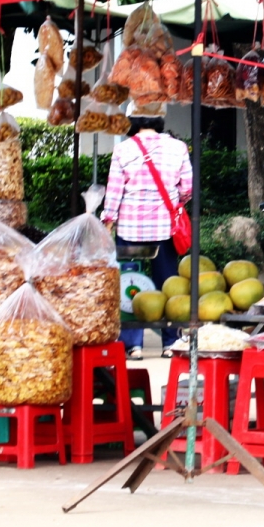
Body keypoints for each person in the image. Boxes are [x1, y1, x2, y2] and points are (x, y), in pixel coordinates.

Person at [102, 115, 192, 359]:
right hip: (164, 228)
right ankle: (170, 342)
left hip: (130, 228)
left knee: (131, 284)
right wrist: (174, 203)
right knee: (168, 283)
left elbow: (114, 191)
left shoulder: (122, 149)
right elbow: (187, 188)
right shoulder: (178, 147)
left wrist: (108, 218)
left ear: (133, 122)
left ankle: (134, 345)